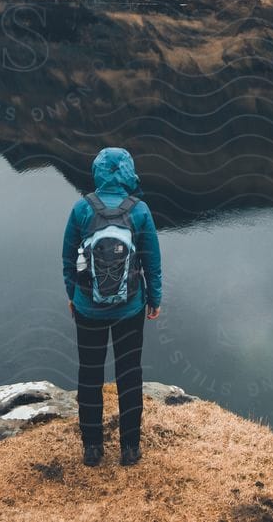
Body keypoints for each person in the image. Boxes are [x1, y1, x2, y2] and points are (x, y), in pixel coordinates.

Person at [61, 146, 163, 467]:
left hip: (87, 309)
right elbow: (152, 261)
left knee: (89, 377)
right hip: (130, 309)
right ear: (128, 172)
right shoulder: (140, 211)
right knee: (129, 376)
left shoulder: (82, 209)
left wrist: (72, 295)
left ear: (98, 172)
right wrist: (154, 299)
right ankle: (130, 449)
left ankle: (92, 449)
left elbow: (68, 258)